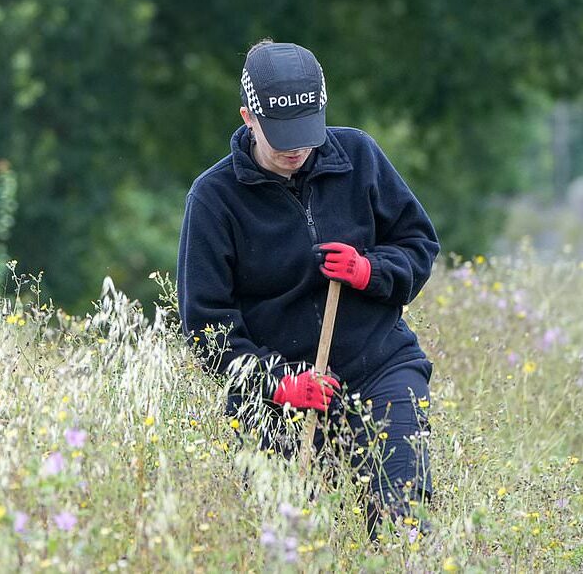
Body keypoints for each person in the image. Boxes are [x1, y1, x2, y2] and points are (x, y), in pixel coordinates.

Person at [176, 40, 440, 539]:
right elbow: (206, 326)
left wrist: (371, 270)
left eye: (307, 133)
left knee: (404, 516)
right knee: (299, 539)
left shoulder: (359, 156)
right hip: (280, 399)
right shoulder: (213, 199)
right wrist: (273, 383)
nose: (297, 148)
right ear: (248, 118)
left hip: (380, 367)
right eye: (282, 137)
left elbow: (418, 243)